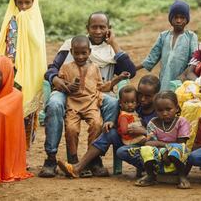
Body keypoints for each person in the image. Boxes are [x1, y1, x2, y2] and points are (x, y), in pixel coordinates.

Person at [39, 12, 136, 177]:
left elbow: (131, 71)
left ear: (108, 29)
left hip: (95, 92)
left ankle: (94, 158)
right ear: (87, 28)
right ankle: (51, 158)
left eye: (102, 27)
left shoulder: (110, 50)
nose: (98, 31)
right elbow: (53, 67)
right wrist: (55, 80)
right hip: (67, 90)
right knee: (55, 104)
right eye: (94, 27)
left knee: (112, 103)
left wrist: (114, 43)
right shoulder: (74, 43)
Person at [57, 75, 160, 178]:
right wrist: (111, 122)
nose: (142, 98)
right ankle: (78, 168)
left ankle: (147, 168)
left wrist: (143, 131)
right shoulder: (134, 104)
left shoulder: (159, 110)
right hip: (128, 140)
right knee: (109, 132)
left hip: (146, 145)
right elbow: (122, 119)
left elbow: (165, 135)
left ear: (156, 95)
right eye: (140, 94)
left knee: (122, 152)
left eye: (148, 96)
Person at [59, 35, 130, 163]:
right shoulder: (65, 68)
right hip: (73, 105)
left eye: (84, 53)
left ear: (89, 52)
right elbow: (59, 85)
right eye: (77, 53)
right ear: (71, 52)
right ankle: (73, 159)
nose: (80, 56)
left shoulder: (94, 67)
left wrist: (117, 79)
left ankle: (91, 160)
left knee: (97, 125)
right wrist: (67, 86)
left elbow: (101, 87)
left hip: (91, 104)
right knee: (71, 128)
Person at [0, 0, 47, 149]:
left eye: (27, 3)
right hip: (15, 73)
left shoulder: (36, 21)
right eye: (20, 3)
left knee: (29, 115)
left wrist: (27, 24)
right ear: (14, 3)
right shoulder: (13, 21)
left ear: (34, 2)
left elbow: (38, 47)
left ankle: (24, 150)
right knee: (13, 111)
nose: (23, 7)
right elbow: (9, 49)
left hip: (33, 73)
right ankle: (11, 149)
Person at [133, 91, 191, 189]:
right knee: (146, 149)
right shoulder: (153, 123)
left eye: (168, 109)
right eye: (160, 110)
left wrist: (165, 149)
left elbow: (181, 143)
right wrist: (165, 148)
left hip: (177, 156)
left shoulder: (181, 122)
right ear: (156, 111)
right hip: (160, 154)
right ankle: (150, 175)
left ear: (177, 108)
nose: (164, 113)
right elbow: (149, 142)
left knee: (177, 148)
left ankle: (182, 176)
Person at [136, 0, 198, 90]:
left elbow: (194, 60)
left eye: (182, 17)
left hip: (182, 83)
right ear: (170, 19)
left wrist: (184, 75)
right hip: (164, 81)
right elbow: (152, 57)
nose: (179, 21)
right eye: (175, 17)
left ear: (187, 19)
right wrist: (134, 68)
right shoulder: (163, 36)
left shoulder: (191, 37)